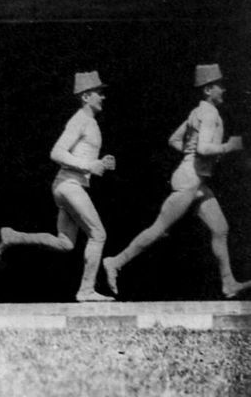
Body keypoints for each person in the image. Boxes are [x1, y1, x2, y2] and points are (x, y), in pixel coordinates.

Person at [103, 64, 251, 299]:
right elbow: (203, 148)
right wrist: (228, 147)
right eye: (219, 86)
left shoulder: (196, 112)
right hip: (189, 180)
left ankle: (228, 283)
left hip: (196, 180)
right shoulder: (209, 114)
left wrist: (192, 153)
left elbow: (174, 140)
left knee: (220, 229)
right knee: (158, 229)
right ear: (208, 90)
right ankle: (115, 262)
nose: (223, 90)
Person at [0, 70, 115, 302]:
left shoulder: (89, 122)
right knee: (98, 234)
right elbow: (57, 152)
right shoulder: (80, 121)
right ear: (86, 96)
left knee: (65, 243)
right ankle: (86, 290)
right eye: (98, 93)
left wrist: (100, 163)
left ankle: (13, 237)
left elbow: (82, 157)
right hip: (69, 185)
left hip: (67, 185)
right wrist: (89, 165)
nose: (103, 97)